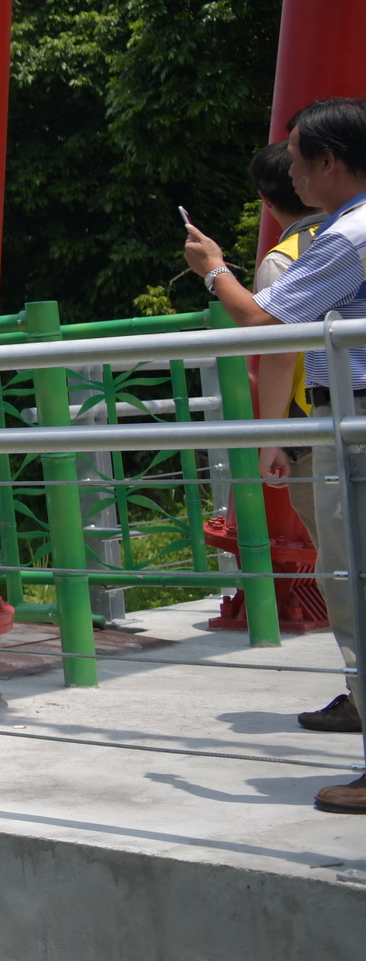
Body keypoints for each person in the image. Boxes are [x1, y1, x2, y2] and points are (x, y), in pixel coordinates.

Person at [186, 95, 366, 813]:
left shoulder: (347, 237)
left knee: (353, 586)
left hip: (351, 426)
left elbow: (265, 322)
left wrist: (210, 269)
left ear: (328, 161)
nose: (290, 171)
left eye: (296, 158)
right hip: (342, 423)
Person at [247, 140, 347, 732]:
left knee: (343, 571)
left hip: (323, 432)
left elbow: (278, 349)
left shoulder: (288, 259)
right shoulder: (348, 236)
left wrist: (271, 436)